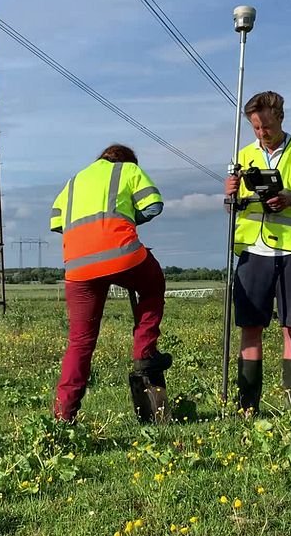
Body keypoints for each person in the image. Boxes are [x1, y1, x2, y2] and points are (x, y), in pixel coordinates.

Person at [50, 144, 170, 423]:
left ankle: (62, 417)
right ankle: (145, 352)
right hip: (122, 254)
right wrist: (128, 218)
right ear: (129, 161)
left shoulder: (74, 181)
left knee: (80, 342)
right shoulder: (130, 171)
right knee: (153, 286)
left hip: (78, 265)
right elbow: (154, 205)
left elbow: (57, 222)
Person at [224, 91, 291, 414]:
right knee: (250, 327)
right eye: (255, 127)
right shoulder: (243, 156)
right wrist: (229, 195)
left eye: (266, 126)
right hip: (254, 251)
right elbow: (233, 208)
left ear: (280, 117)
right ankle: (248, 408)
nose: (261, 133)